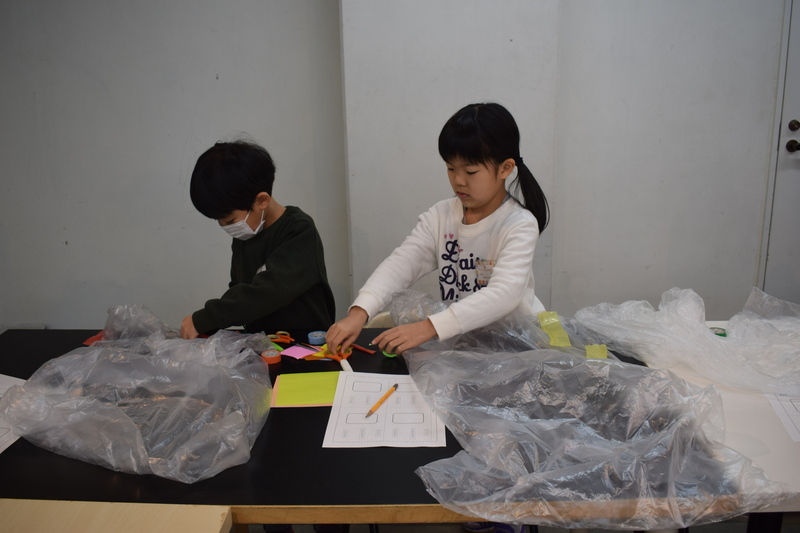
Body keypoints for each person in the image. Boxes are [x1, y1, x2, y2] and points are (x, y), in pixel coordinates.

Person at [326, 102, 549, 360]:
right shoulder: (441, 216)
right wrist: (360, 311)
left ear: (505, 168)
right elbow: (402, 264)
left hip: (515, 347)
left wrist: (430, 327)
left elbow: (504, 294)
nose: (458, 180)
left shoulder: (518, 223)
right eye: (451, 168)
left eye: (471, 171)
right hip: (467, 343)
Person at [180, 139, 336, 340]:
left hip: (305, 343)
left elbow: (270, 291)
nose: (226, 227)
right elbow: (239, 290)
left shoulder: (299, 230)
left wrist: (207, 317)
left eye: (230, 220)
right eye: (219, 221)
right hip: (264, 342)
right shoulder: (246, 234)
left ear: (261, 201)